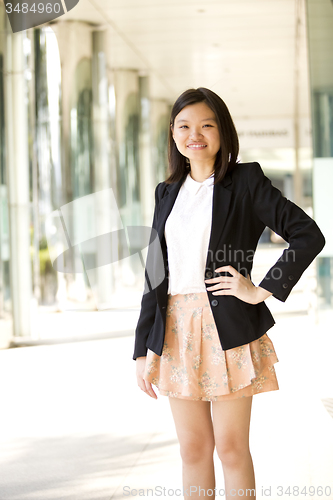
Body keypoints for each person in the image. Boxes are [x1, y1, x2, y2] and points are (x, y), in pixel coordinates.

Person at [133, 88, 325, 500]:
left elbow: (307, 235)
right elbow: (155, 274)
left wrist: (260, 290)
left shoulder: (246, 181)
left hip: (228, 328)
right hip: (175, 333)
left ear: (223, 131)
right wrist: (141, 348)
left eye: (206, 125)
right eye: (184, 126)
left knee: (232, 449)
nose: (194, 134)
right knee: (193, 448)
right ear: (173, 133)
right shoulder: (166, 192)